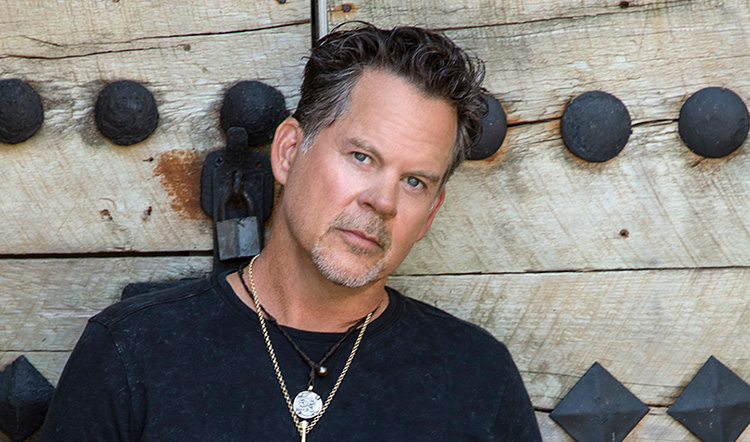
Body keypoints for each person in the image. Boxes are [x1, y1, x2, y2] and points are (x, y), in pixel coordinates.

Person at [40, 23, 541, 441]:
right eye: (362, 157)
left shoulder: (479, 380)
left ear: (430, 214)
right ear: (287, 152)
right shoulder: (131, 351)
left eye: (414, 182)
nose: (383, 201)